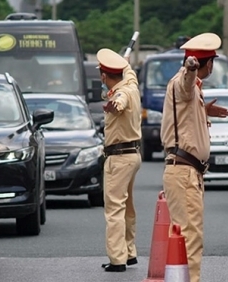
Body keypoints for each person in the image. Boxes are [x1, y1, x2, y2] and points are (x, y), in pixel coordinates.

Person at [160, 32, 228, 282]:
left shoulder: (194, 93)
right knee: (190, 235)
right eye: (212, 61)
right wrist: (190, 68)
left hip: (187, 172)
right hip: (184, 172)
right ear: (208, 63)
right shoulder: (185, 82)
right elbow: (185, 84)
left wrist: (204, 110)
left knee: (183, 234)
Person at [96, 48, 142, 272]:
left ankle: (117, 259)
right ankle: (129, 252)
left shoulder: (120, 94)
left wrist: (114, 105)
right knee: (127, 207)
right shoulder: (131, 85)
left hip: (119, 157)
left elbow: (119, 102)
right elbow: (130, 73)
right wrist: (125, 63)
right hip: (133, 155)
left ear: (104, 76)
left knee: (114, 209)